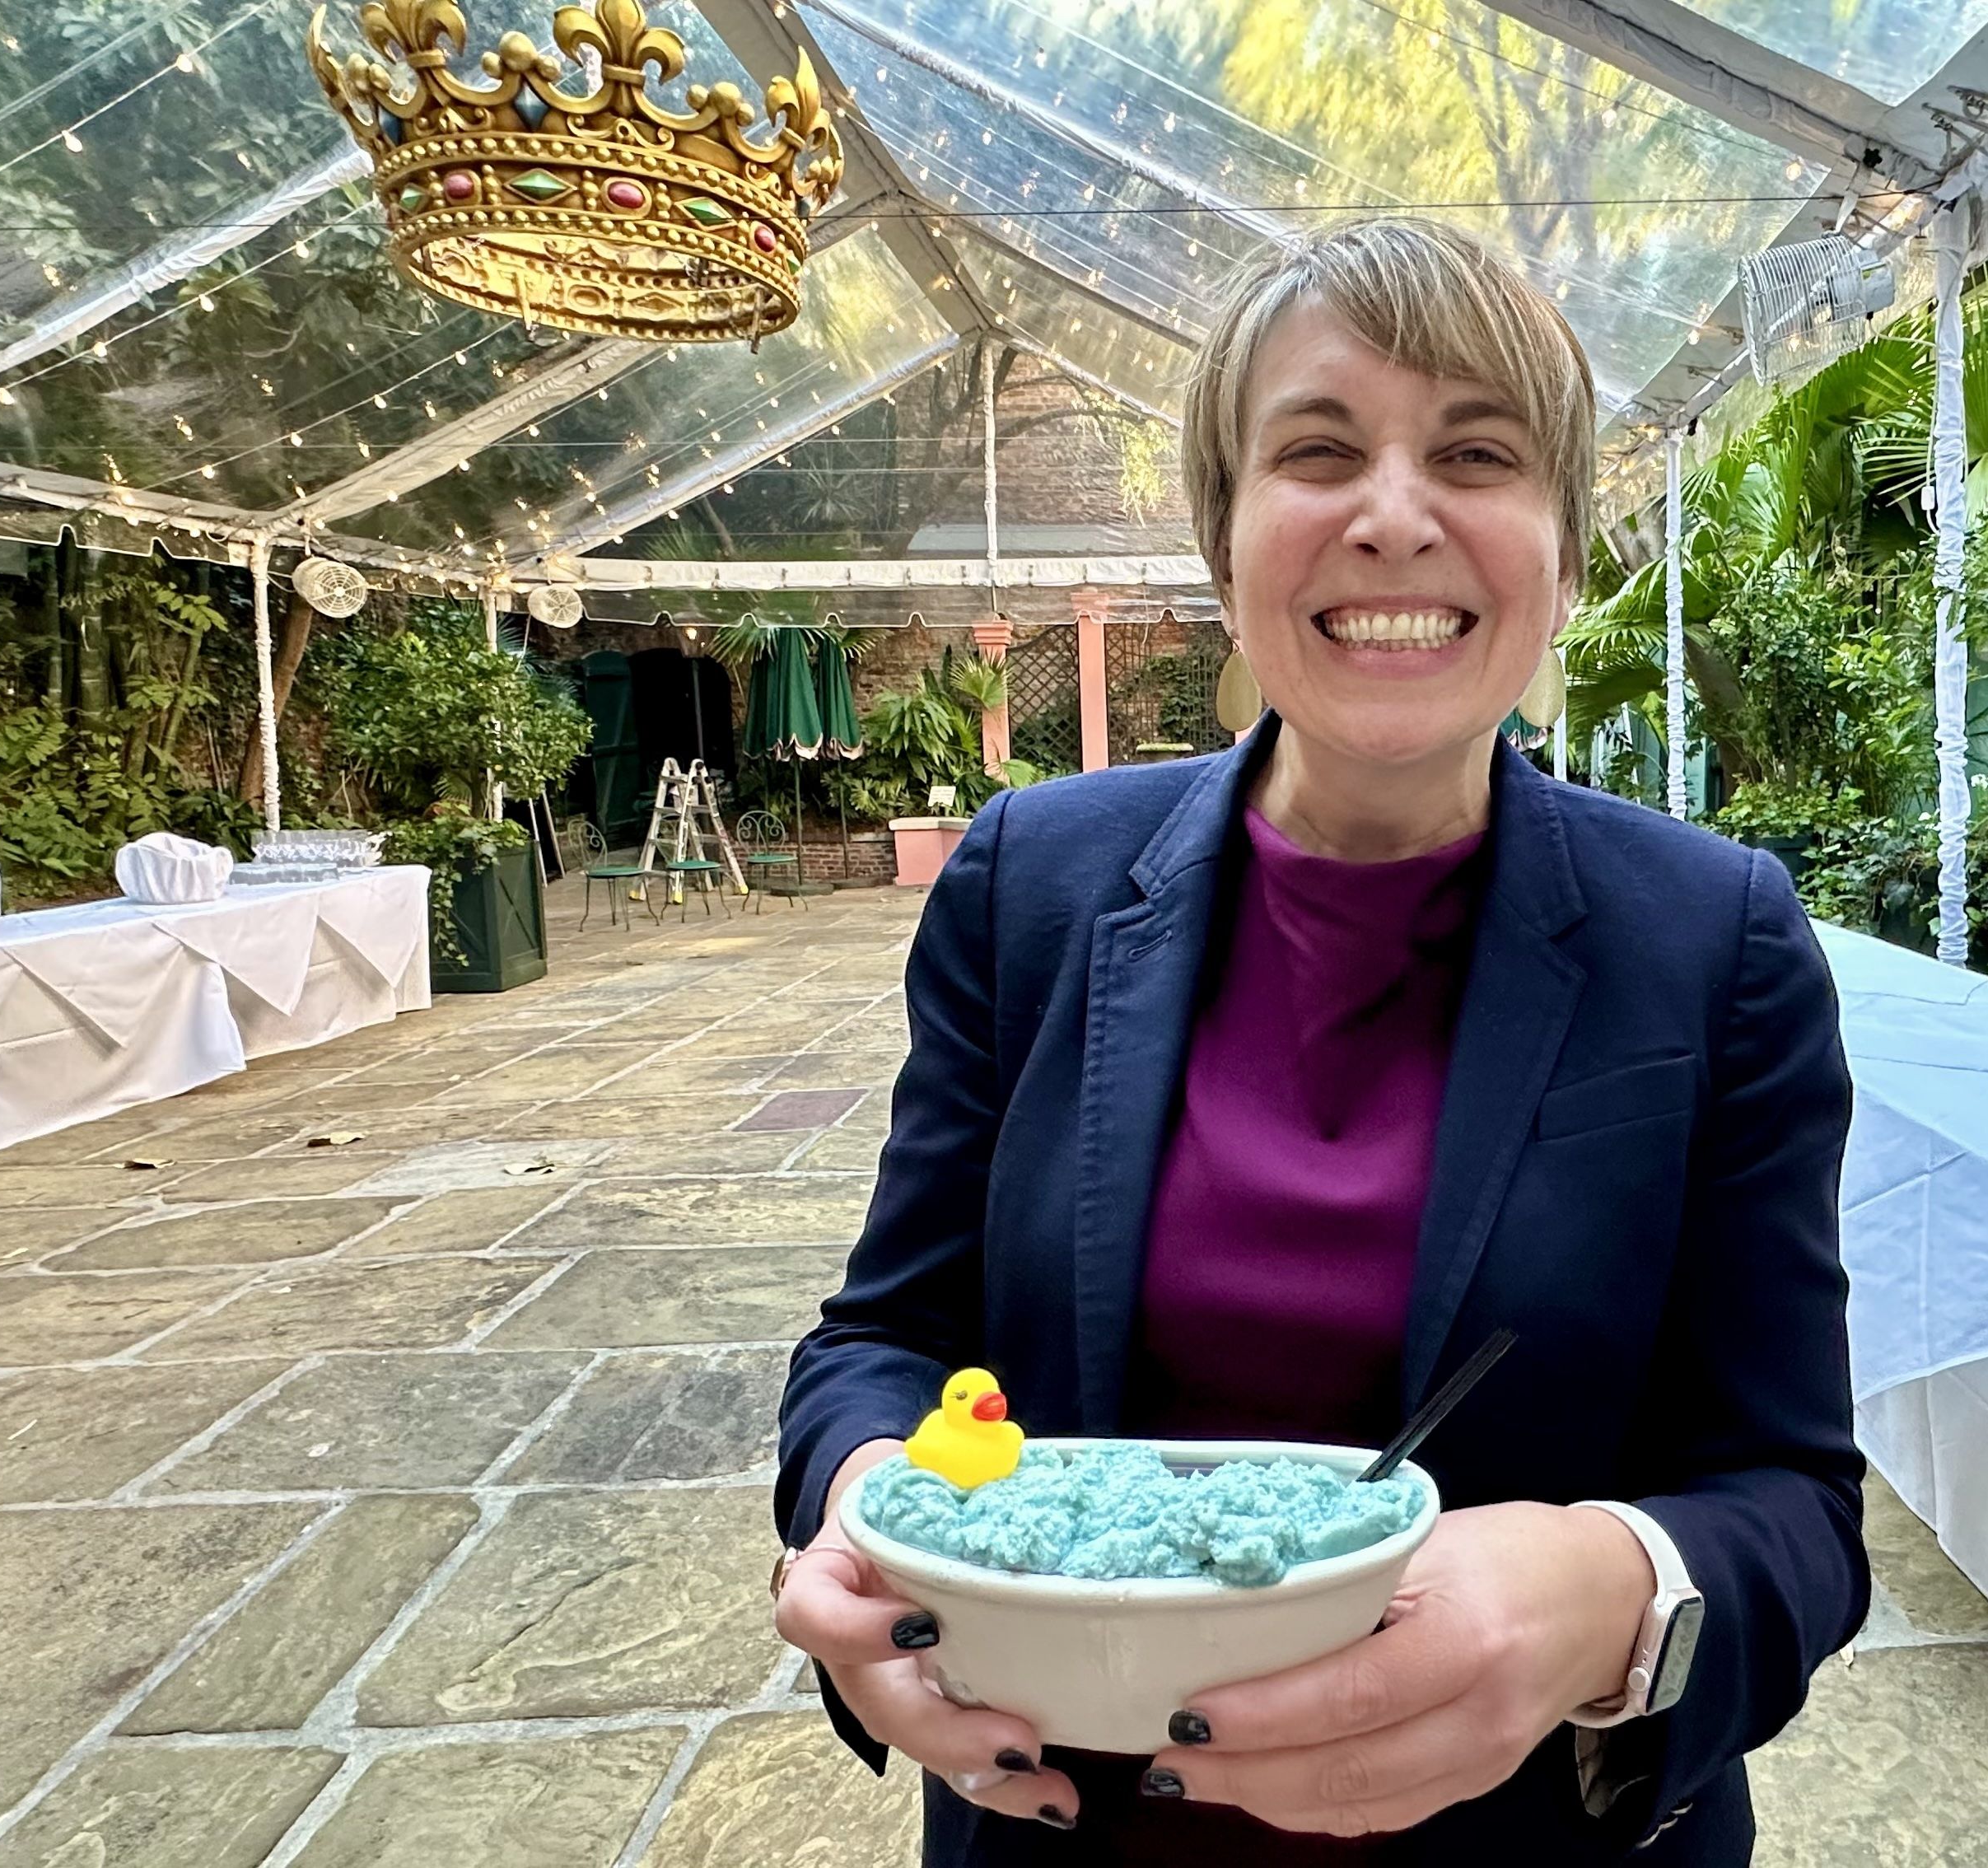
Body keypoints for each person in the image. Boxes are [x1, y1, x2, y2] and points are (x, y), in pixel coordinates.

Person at [773, 217, 1863, 1865]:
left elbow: (1792, 1499)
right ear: (1226, 543)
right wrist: (875, 1524)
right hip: (1067, 1824)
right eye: (1319, 450)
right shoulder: (1031, 888)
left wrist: (1606, 1593)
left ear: (1567, 553)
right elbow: (882, 1341)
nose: (1395, 516)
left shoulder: (1715, 941)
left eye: (1479, 455)